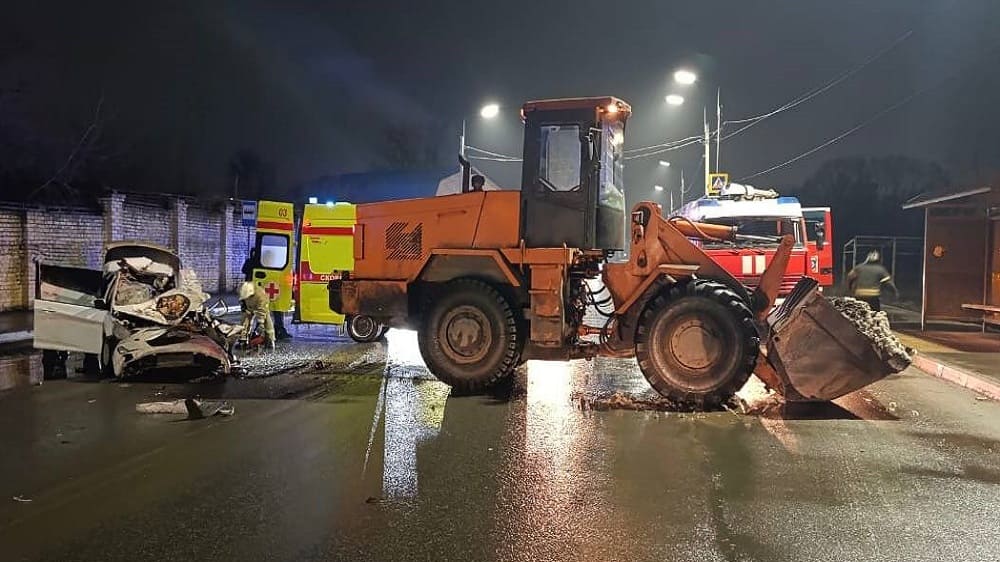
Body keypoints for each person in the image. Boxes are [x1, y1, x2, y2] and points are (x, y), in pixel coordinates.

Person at [239, 281, 275, 350]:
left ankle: (270, 340)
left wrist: (260, 323)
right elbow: (241, 296)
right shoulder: (243, 288)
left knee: (267, 323)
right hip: (248, 307)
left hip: (261, 308)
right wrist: (243, 304)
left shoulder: (261, 295)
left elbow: (262, 310)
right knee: (244, 321)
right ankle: (242, 339)